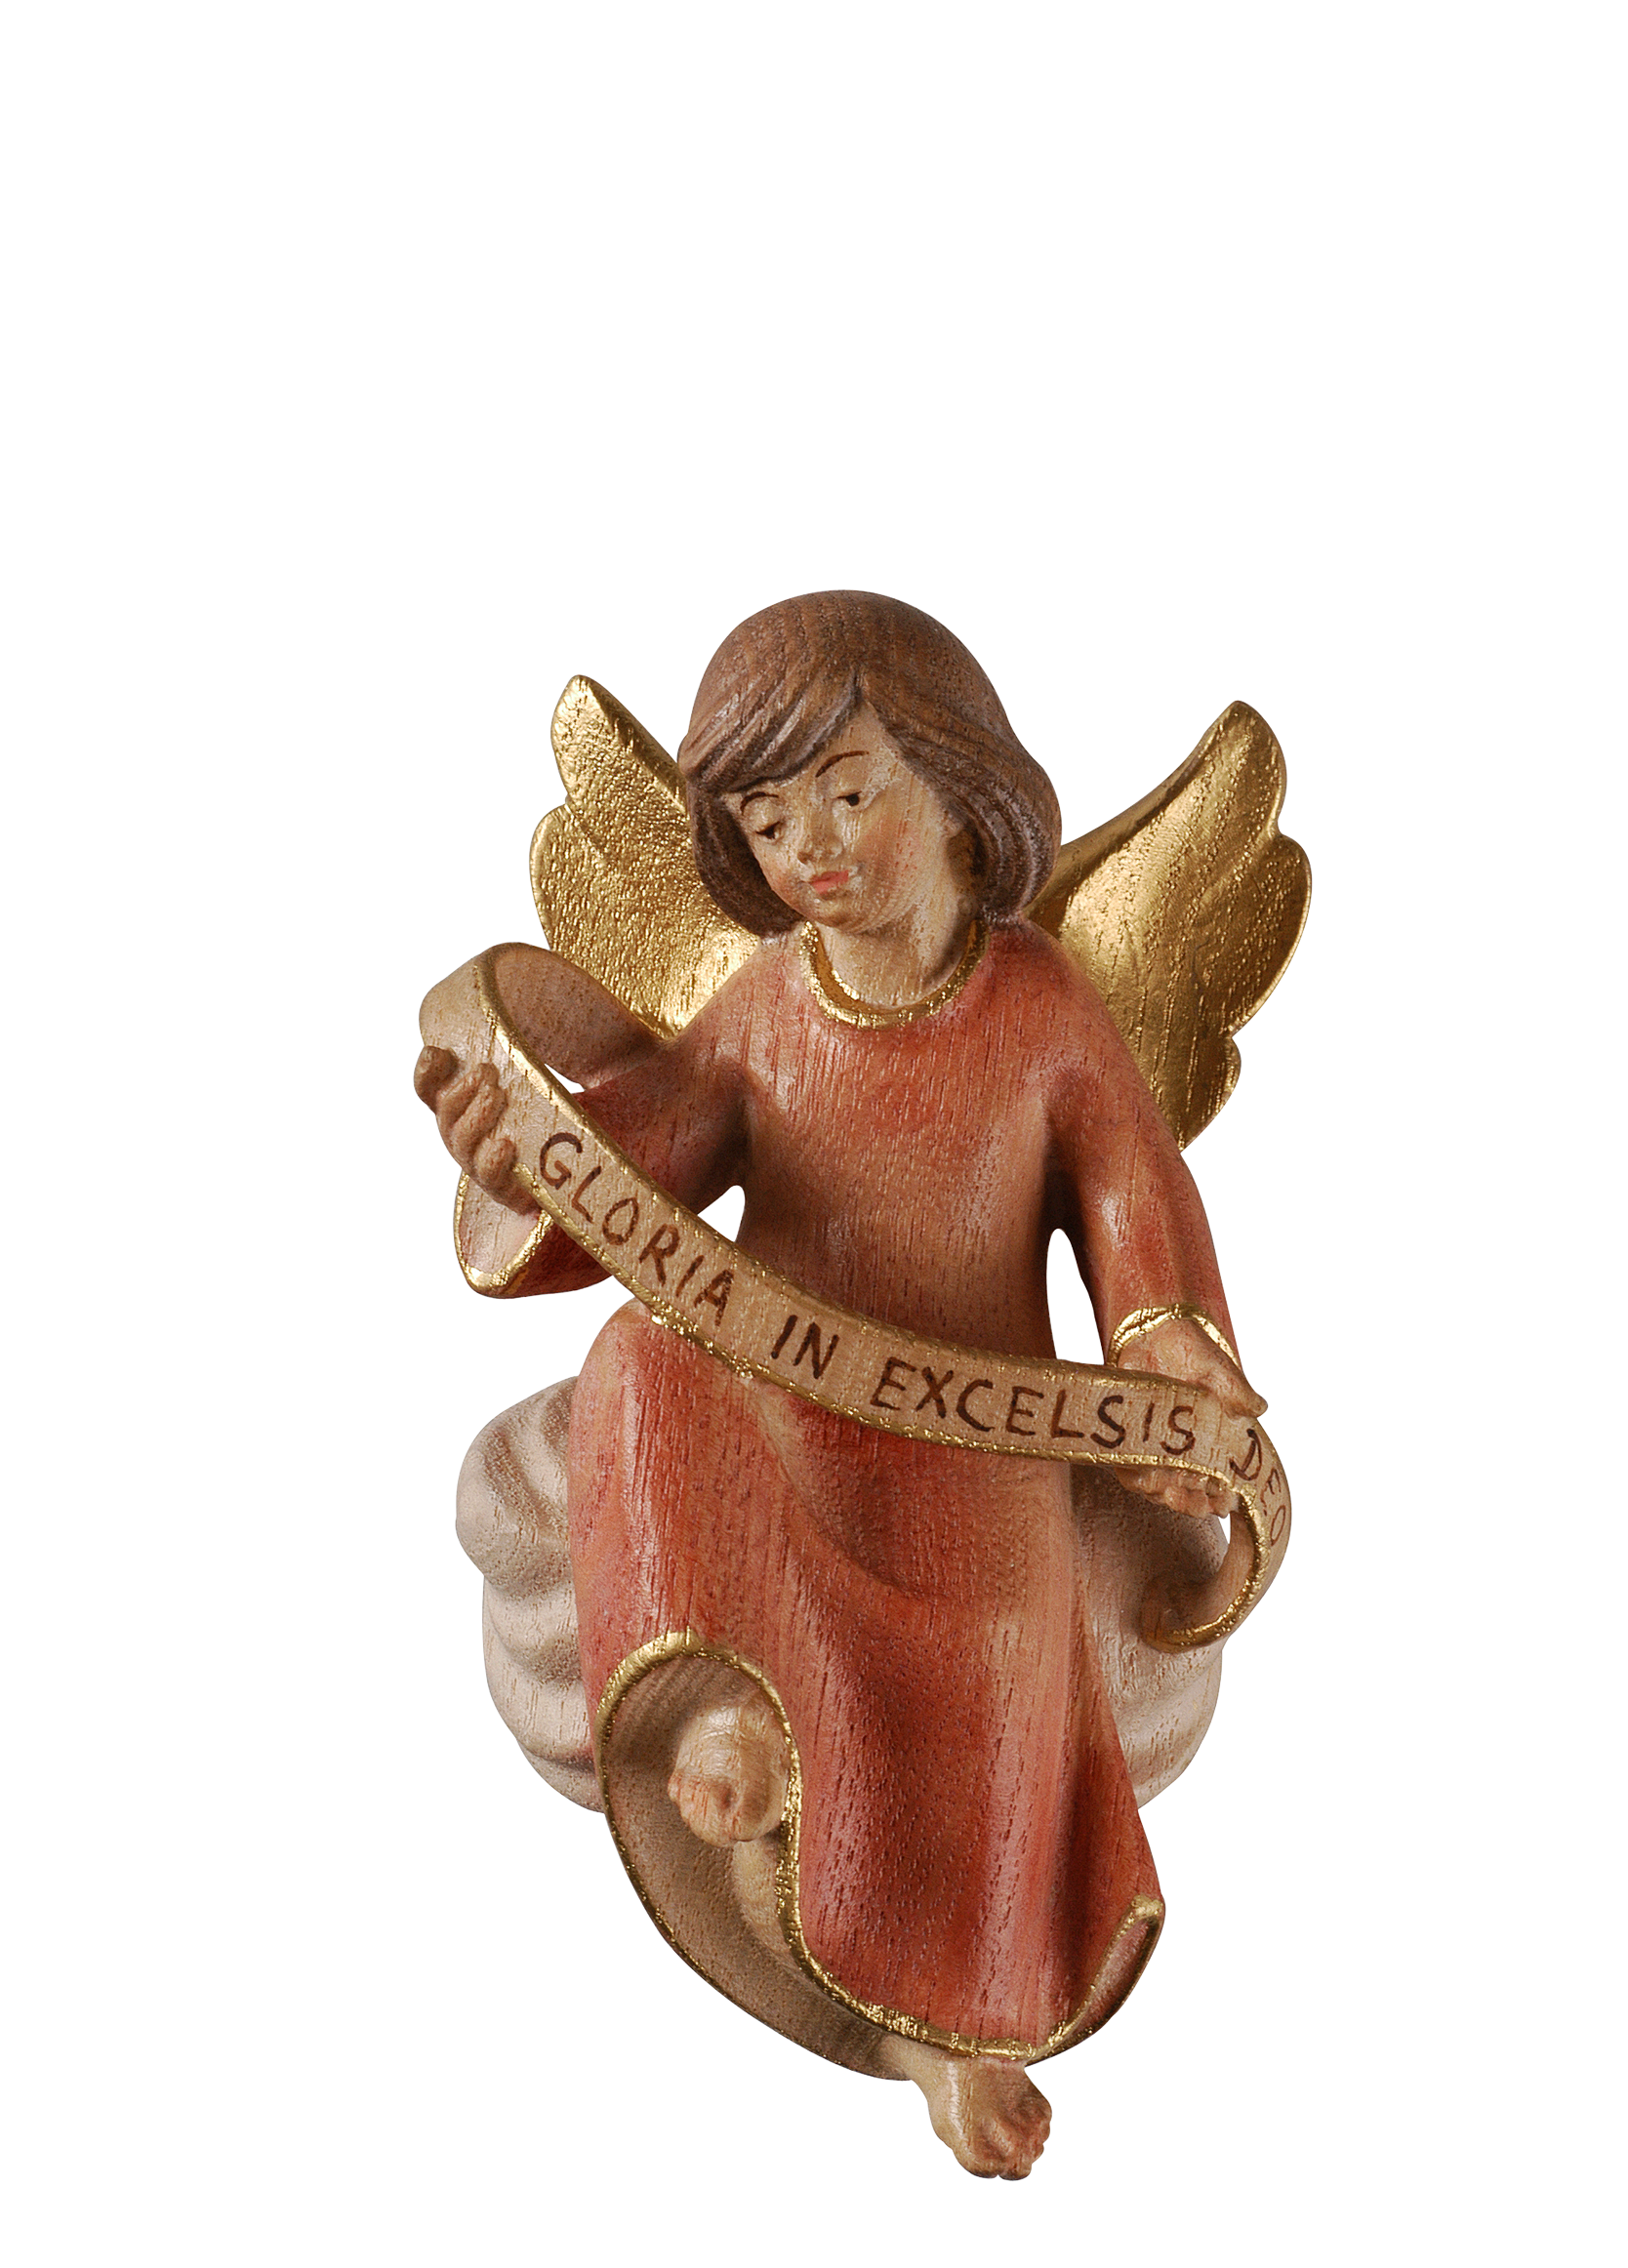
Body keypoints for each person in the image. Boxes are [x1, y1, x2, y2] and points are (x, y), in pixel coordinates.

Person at [416, 592, 1262, 2177]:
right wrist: (525, 1155)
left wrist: (1161, 1342)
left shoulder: (1040, 1011)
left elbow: (1134, 1193)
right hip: (781, 1429)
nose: (807, 846)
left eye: (848, 792)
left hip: (977, 1442)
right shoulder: (763, 1006)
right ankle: (728, 1697)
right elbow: (641, 1180)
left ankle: (954, 2031)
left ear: (955, 785)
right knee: (644, 1358)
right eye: (764, 818)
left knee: (1004, 1660)